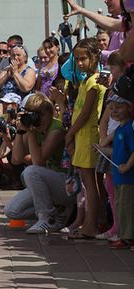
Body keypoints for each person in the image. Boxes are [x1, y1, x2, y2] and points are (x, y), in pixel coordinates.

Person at [4, 93, 76, 233]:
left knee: (30, 172)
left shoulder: (57, 128)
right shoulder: (34, 129)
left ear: (50, 113)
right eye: (35, 115)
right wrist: (20, 131)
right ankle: (59, 213)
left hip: (67, 184)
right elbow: (16, 159)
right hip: (49, 185)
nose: (39, 120)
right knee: (12, 211)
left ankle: (47, 218)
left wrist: (30, 133)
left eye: (42, 115)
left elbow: (38, 161)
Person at [65, 38, 107, 239]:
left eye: (84, 59)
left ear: (95, 57)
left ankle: (91, 225)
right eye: (77, 59)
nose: (80, 63)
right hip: (82, 136)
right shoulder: (84, 81)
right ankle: (97, 222)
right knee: (91, 183)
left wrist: (70, 133)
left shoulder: (94, 83)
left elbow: (85, 113)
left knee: (91, 183)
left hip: (88, 135)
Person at [97, 76, 134, 249]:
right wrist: (100, 149)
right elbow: (117, 152)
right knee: (120, 207)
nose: (114, 111)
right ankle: (124, 235)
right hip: (119, 177)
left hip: (127, 178)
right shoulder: (119, 128)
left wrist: (127, 165)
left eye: (119, 107)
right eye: (112, 107)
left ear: (130, 107)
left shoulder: (129, 129)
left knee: (127, 208)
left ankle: (128, 237)